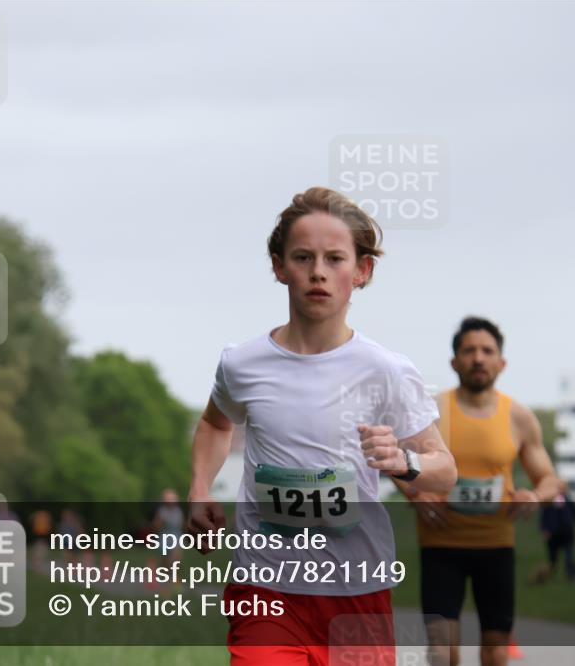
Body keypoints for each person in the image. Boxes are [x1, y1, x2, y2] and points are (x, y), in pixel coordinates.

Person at [187, 187, 457, 666]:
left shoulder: (386, 371)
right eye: (303, 257)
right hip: (265, 588)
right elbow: (214, 424)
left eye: (335, 259)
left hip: (357, 591)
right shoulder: (242, 363)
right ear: (278, 266)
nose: (318, 271)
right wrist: (199, 488)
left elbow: (445, 470)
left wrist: (403, 460)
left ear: (361, 271)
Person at [395, 316, 561, 666]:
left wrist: (534, 496)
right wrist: (416, 493)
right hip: (440, 547)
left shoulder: (518, 417)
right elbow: (396, 460)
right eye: (469, 350)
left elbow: (549, 478)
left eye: (487, 351)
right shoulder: (432, 411)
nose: (478, 358)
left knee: (496, 651)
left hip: (496, 546)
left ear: (502, 363)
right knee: (442, 652)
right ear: (455, 362)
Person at [539, 491, 575, 582]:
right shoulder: (548, 502)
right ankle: (547, 576)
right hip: (553, 536)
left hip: (568, 535)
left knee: (569, 557)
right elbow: (543, 517)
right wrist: (544, 530)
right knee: (553, 560)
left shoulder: (569, 502)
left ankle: (570, 576)